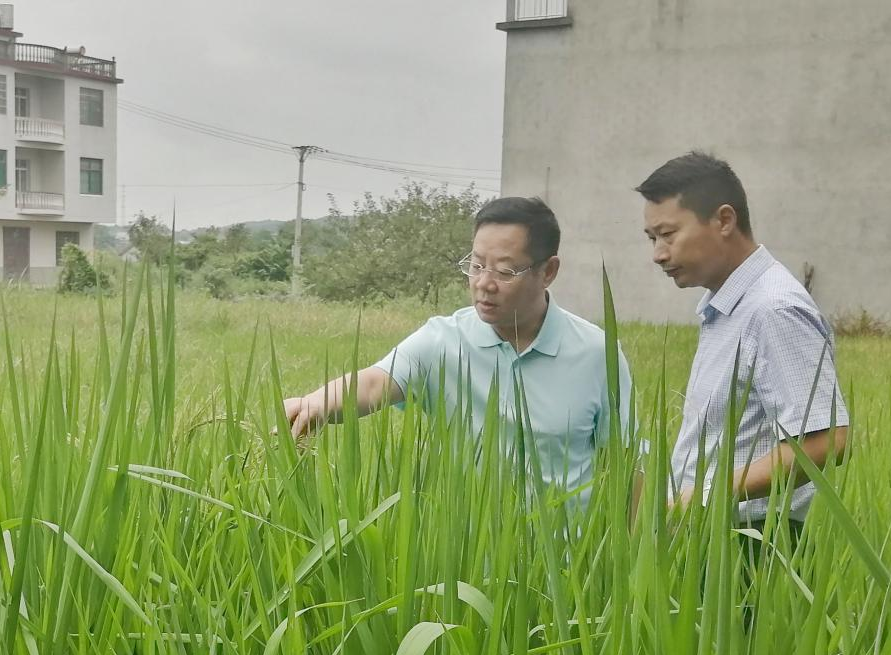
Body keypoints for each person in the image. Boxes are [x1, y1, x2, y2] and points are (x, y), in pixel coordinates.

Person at [282, 196, 633, 503]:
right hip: (465, 567)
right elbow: (376, 381)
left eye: (505, 271)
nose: (484, 283)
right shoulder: (443, 341)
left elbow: (627, 463)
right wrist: (317, 402)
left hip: (568, 566)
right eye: (477, 265)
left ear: (548, 271)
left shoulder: (597, 354)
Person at [636, 152, 849, 537]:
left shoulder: (772, 308)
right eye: (652, 239)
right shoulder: (730, 306)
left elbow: (826, 440)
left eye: (668, 235)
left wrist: (702, 497)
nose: (658, 254)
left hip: (756, 546)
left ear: (724, 220)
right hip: (714, 537)